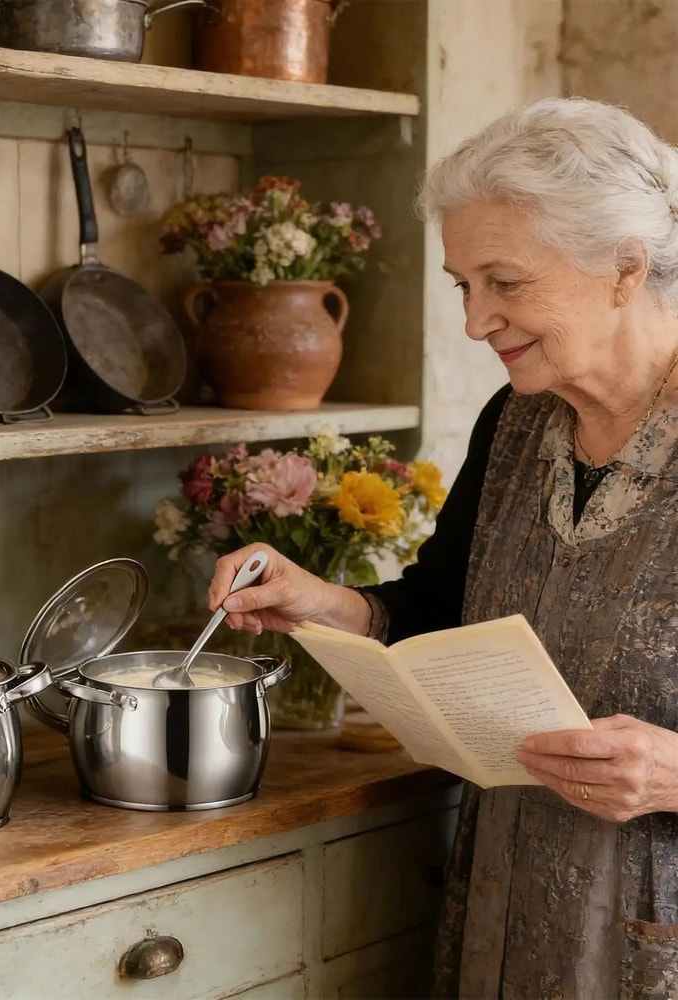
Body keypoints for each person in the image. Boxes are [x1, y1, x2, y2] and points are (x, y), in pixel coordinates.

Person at [207, 97, 678, 1000]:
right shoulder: (514, 421)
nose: (476, 322)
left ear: (626, 268)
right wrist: (319, 601)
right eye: (466, 285)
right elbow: (437, 613)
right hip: (509, 905)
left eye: (506, 282)